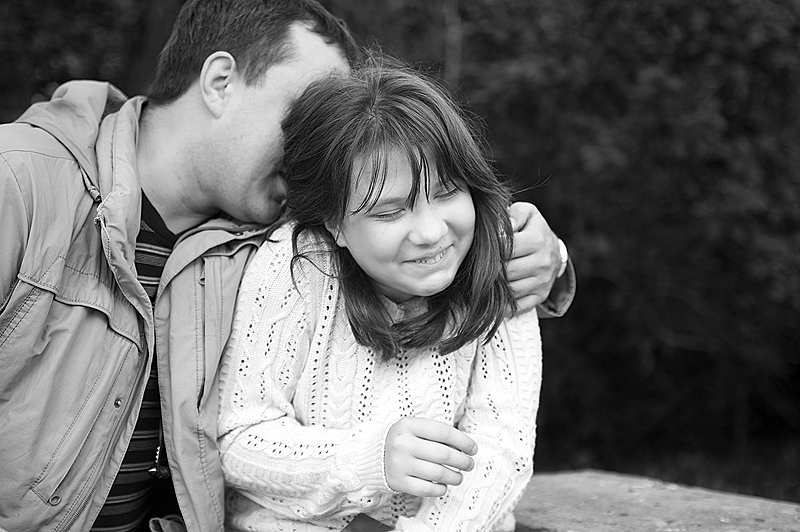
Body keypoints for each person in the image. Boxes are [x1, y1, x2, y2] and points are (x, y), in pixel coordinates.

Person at [0, 1, 573, 531]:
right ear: (220, 82)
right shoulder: (22, 186)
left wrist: (544, 257)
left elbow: (416, 222)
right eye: (304, 114)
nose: (323, 146)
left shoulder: (274, 229)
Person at [217, 54, 543, 532]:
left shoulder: (501, 265)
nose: (431, 233)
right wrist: (368, 460)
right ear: (335, 223)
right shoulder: (295, 268)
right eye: (390, 212)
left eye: (448, 192)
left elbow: (502, 448)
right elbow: (240, 439)